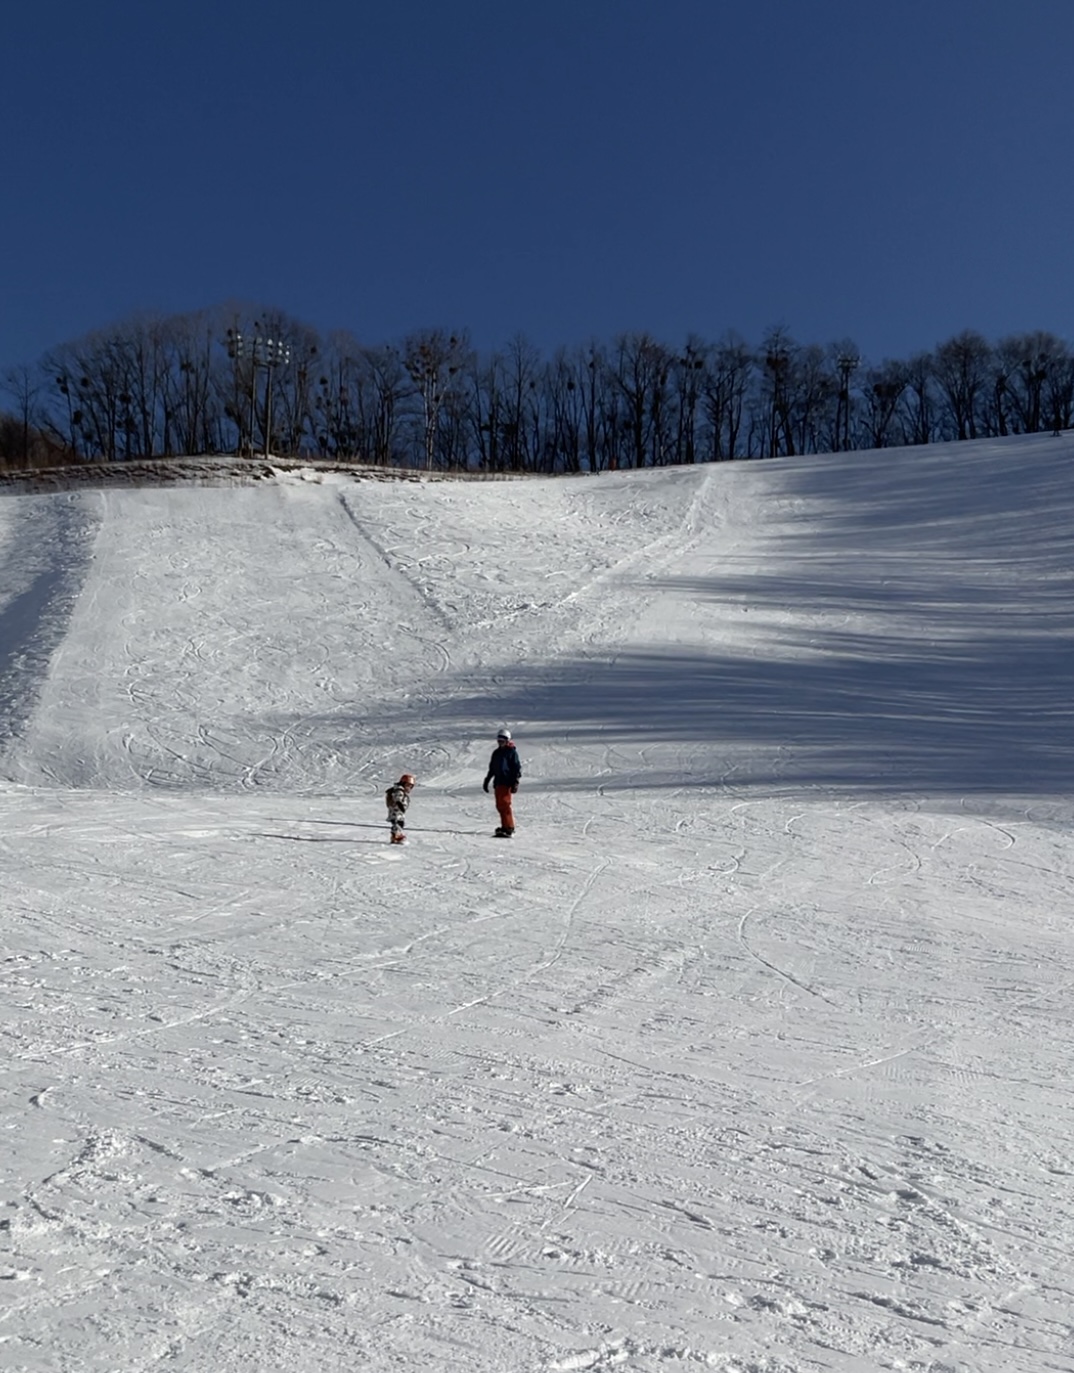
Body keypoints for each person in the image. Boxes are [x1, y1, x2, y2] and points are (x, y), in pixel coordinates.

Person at [483, 729, 521, 837]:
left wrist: (515, 782)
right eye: (499, 740)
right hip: (498, 782)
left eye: (502, 740)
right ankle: (504, 826)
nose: (500, 742)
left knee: (505, 804)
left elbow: (516, 768)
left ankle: (509, 827)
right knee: (499, 805)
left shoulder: (511, 752)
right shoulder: (496, 753)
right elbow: (492, 768)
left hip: (507, 781)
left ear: (507, 740)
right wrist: (487, 780)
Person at [385, 773, 416, 843]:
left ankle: (396, 835)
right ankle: (395, 836)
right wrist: (400, 805)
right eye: (408, 785)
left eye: (411, 787)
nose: (409, 788)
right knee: (398, 823)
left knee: (399, 824)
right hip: (396, 811)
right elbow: (397, 798)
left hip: (398, 811)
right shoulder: (399, 790)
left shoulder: (400, 790)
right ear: (403, 783)